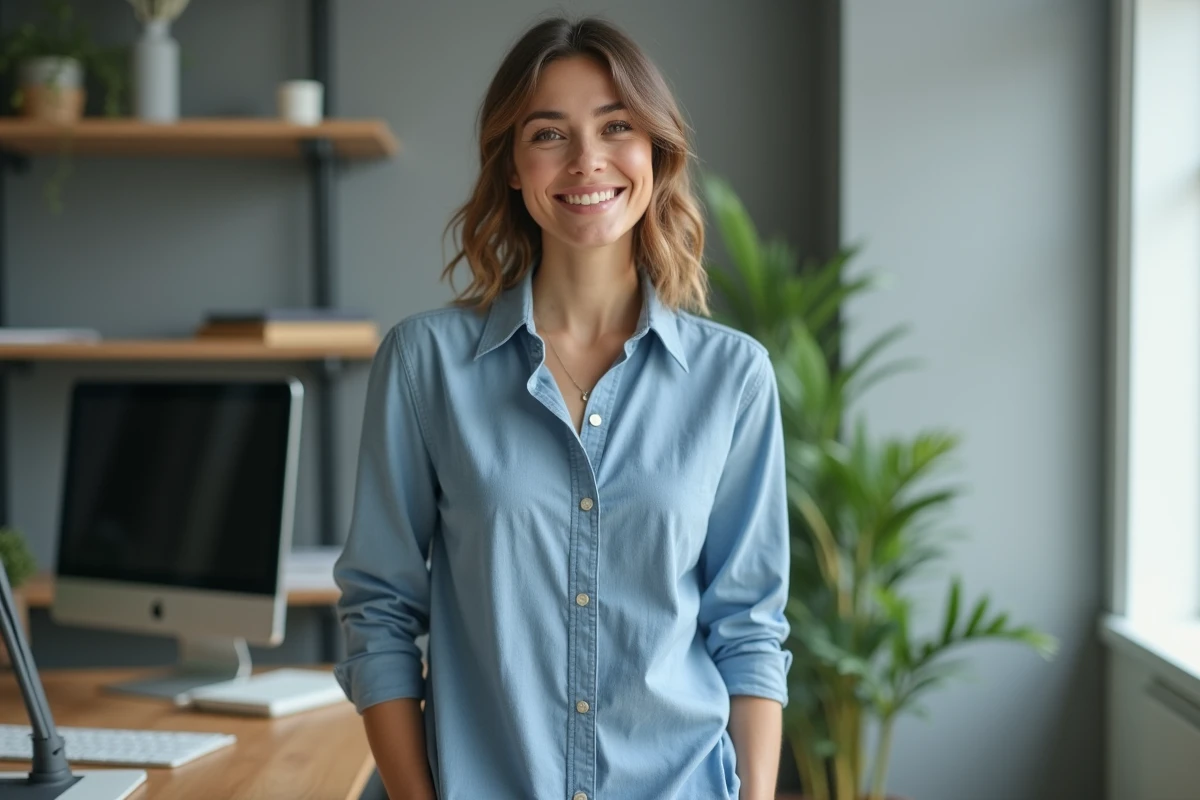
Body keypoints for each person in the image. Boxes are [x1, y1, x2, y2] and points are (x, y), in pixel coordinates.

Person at [333, 15, 792, 800]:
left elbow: (748, 627)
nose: (587, 161)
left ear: (654, 152)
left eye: (617, 127)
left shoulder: (733, 378)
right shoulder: (425, 366)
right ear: (512, 166)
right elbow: (378, 614)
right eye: (549, 133)